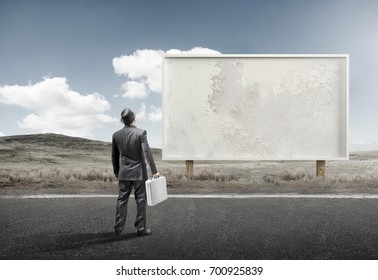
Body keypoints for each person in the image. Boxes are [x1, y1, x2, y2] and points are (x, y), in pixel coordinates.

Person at [112, 107, 160, 237]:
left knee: (122, 199)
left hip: (124, 173)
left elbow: (114, 155)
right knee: (140, 200)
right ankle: (141, 228)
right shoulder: (141, 133)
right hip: (139, 173)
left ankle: (118, 228)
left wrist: (116, 171)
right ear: (134, 118)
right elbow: (147, 152)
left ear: (123, 121)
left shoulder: (116, 135)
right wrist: (154, 171)